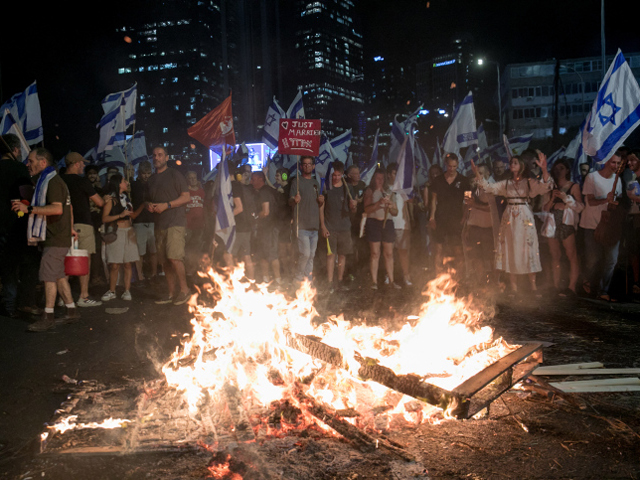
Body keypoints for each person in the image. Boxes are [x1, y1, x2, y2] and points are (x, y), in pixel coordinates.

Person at [12, 148, 79, 332]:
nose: (28, 164)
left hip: (56, 237)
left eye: (31, 161)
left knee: (48, 275)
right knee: (57, 275)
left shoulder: (53, 182)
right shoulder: (50, 181)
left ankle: (47, 316)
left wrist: (30, 209)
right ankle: (72, 311)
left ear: (43, 163)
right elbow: (69, 208)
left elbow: (57, 209)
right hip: (56, 236)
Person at [471, 151, 552, 293]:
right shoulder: (506, 183)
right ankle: (513, 286)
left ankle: (532, 286)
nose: (512, 165)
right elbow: (489, 187)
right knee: (511, 248)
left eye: (515, 162)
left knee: (528, 247)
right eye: (511, 163)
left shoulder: (528, 182)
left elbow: (544, 186)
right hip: (510, 217)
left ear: (521, 165)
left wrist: (544, 169)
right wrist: (477, 174)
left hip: (524, 217)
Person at [147, 147, 191, 305]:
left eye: (160, 155)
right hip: (159, 224)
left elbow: (186, 197)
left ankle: (185, 290)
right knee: (164, 260)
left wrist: (167, 205)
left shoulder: (174, 174)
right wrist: (149, 205)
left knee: (174, 256)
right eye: (154, 156)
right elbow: (148, 199)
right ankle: (171, 293)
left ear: (166, 157)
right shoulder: (151, 179)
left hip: (175, 221)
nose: (157, 158)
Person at [61, 152, 105, 306]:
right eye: (82, 163)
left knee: (65, 259)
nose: (84, 166)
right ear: (76, 163)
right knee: (84, 259)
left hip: (64, 225)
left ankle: (62, 297)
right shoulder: (82, 181)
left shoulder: (59, 180)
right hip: (83, 224)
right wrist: (106, 199)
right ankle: (83, 296)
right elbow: (99, 202)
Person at [579, 153, 623, 301]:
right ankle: (589, 283)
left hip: (609, 227)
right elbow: (590, 201)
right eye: (613, 163)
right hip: (591, 224)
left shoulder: (618, 181)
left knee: (611, 259)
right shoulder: (592, 177)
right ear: (606, 162)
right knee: (593, 259)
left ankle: (604, 289)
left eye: (618, 163)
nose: (615, 166)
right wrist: (606, 199)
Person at [0, 134, 34, 318]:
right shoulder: (19, 169)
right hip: (14, 223)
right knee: (13, 264)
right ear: (14, 150)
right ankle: (12, 304)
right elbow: (26, 198)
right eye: (19, 149)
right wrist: (22, 214)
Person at [542, 158, 584, 295]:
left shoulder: (573, 186)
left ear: (567, 170)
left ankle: (571, 287)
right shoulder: (551, 187)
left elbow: (580, 206)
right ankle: (555, 285)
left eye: (561, 168)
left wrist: (566, 200)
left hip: (566, 223)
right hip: (552, 223)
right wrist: (553, 201)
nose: (558, 171)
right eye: (556, 168)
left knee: (571, 255)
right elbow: (545, 208)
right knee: (555, 255)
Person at [428, 153, 471, 274]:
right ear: (446, 165)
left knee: (457, 249)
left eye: (454, 166)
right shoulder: (438, 180)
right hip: (440, 218)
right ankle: (438, 276)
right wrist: (432, 217)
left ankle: (459, 277)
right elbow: (433, 200)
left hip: (456, 219)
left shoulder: (464, 181)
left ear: (457, 165)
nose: (452, 169)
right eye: (449, 166)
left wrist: (464, 218)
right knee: (438, 249)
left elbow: (468, 202)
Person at [100, 174, 140, 302]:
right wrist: (120, 215)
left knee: (128, 263)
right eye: (124, 181)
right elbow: (104, 218)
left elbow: (132, 215)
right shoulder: (111, 199)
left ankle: (127, 291)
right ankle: (112, 291)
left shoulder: (126, 198)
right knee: (115, 264)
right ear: (118, 184)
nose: (127, 183)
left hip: (129, 231)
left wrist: (143, 205)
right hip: (117, 232)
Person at [319, 161, 357, 291]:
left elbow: (353, 210)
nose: (335, 178)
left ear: (342, 174)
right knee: (331, 255)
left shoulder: (348, 188)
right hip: (330, 227)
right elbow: (321, 208)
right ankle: (330, 283)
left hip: (344, 227)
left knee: (342, 255)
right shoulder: (326, 187)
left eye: (338, 175)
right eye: (333, 175)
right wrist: (323, 226)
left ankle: (339, 281)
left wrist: (353, 206)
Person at [289, 156, 324, 284]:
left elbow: (319, 204)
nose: (307, 166)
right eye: (304, 164)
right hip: (301, 225)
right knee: (305, 254)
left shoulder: (316, 183)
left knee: (311, 256)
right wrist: (294, 200)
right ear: (301, 166)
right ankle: (298, 278)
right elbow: (290, 201)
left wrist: (321, 201)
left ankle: (307, 281)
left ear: (313, 166)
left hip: (314, 226)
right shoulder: (296, 182)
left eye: (310, 164)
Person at [363, 168, 398, 289]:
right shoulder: (370, 191)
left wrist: (391, 205)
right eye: (378, 178)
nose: (380, 181)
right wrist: (378, 204)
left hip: (387, 223)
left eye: (382, 178)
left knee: (389, 253)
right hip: (374, 223)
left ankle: (392, 281)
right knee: (375, 253)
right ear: (374, 179)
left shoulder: (388, 192)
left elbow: (395, 212)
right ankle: (374, 282)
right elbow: (367, 209)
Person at [462, 163, 496, 285]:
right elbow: (470, 210)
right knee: (476, 257)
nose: (478, 176)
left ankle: (494, 282)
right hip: (474, 228)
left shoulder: (491, 188)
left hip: (487, 228)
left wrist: (474, 204)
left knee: (490, 257)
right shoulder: (473, 189)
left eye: (481, 173)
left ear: (488, 174)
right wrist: (467, 227)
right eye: (476, 173)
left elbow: (491, 208)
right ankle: (481, 282)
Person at [251, 171, 282, 284]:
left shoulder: (264, 192)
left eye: (253, 179)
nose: (251, 182)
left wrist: (254, 217)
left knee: (272, 255)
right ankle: (266, 280)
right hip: (265, 229)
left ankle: (278, 282)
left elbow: (265, 212)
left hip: (269, 228)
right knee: (263, 255)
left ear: (260, 179)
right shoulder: (269, 191)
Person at [130, 161, 158, 283]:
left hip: (152, 220)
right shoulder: (134, 185)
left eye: (148, 173)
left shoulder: (154, 184)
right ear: (139, 174)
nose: (146, 175)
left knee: (153, 250)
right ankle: (140, 275)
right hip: (139, 221)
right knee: (140, 251)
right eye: (143, 173)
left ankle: (154, 273)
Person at [386, 163, 413, 286]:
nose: (396, 176)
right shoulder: (386, 189)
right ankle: (389, 276)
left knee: (403, 252)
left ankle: (406, 276)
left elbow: (408, 207)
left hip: (402, 225)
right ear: (389, 175)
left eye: (398, 173)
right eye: (394, 173)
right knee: (389, 253)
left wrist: (410, 221)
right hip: (389, 224)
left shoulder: (404, 190)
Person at [231, 163, 256, 279]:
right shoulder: (249, 189)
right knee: (245, 254)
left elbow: (239, 208)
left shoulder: (237, 188)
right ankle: (249, 280)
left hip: (240, 225)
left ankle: (235, 281)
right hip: (247, 226)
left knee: (232, 255)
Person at [185, 170, 206, 276]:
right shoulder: (184, 192)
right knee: (187, 248)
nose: (193, 180)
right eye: (190, 178)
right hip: (188, 225)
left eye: (194, 178)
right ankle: (188, 269)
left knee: (197, 247)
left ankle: (195, 269)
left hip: (199, 225)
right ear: (187, 179)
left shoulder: (201, 191)